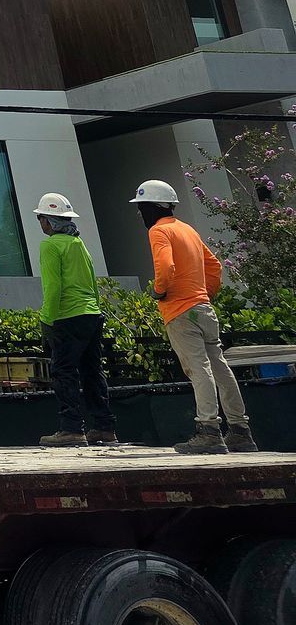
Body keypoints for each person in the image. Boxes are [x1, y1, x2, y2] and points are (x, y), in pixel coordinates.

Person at [132, 178, 255, 454]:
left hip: (180, 311)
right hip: (203, 308)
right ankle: (240, 430)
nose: (140, 213)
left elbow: (165, 266)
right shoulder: (187, 230)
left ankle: (209, 430)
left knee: (199, 369)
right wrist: (206, 295)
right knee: (220, 367)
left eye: (141, 206)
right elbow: (214, 266)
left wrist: (159, 290)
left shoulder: (159, 232)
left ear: (153, 207)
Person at [32, 193, 114, 447]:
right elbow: (91, 282)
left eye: (41, 218)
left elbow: (53, 287)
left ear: (48, 221)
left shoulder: (50, 246)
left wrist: (47, 320)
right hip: (91, 315)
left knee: (64, 371)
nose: (40, 223)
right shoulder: (79, 244)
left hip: (66, 316)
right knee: (92, 370)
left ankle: (71, 429)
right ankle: (103, 427)